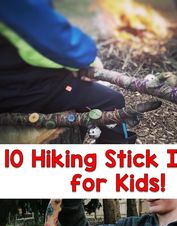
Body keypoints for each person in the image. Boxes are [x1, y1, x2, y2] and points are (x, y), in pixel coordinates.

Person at [0, 0, 136, 143]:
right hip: (18, 89)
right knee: (111, 101)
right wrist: (88, 60)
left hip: (10, 83)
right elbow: (52, 41)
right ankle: (114, 161)